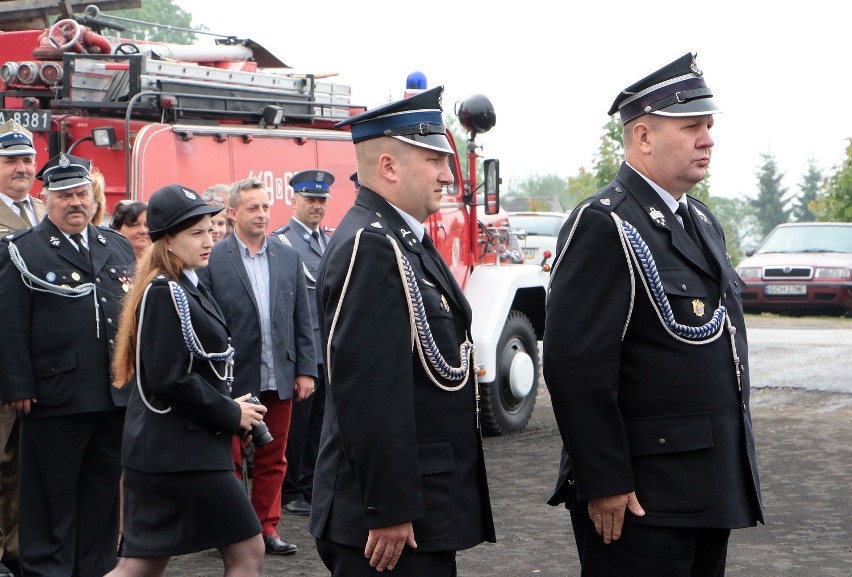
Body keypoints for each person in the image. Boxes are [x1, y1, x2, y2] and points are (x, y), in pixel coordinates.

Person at [542, 53, 763, 577]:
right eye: (692, 127)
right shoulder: (605, 224)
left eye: (708, 126)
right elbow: (576, 370)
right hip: (641, 497)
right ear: (643, 137)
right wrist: (604, 480)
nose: (707, 139)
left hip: (705, 485)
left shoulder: (699, 219)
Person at [310, 86, 495, 576]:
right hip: (389, 522)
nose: (447, 173)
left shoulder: (402, 236)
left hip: (421, 504)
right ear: (389, 166)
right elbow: (367, 390)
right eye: (434, 159)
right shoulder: (372, 244)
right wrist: (388, 508)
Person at [106, 183, 267, 577]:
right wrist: (231, 413)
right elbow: (167, 379)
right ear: (167, 241)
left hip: (173, 448)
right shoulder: (166, 292)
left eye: (210, 229)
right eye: (195, 233)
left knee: (141, 564)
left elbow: (192, 369)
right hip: (180, 453)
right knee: (248, 550)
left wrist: (234, 407)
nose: (209, 239)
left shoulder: (185, 285)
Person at [0, 152, 135, 577]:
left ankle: (93, 569)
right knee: (50, 501)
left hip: (111, 396)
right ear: (46, 200)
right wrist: (17, 384)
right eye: (64, 196)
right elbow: (9, 322)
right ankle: (47, 571)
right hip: (55, 396)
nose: (75, 203)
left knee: (100, 498)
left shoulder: (115, 244)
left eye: (81, 194)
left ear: (94, 200)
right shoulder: (21, 249)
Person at [199, 178, 317, 556]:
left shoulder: (288, 257)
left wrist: (305, 370)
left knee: (273, 457)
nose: (263, 214)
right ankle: (232, 533)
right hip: (233, 381)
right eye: (253, 207)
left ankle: (266, 528)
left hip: (279, 377)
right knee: (229, 459)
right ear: (232, 213)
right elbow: (205, 321)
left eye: (266, 207)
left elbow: (302, 316)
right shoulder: (214, 259)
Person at [274, 169, 334, 517]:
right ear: (294, 199)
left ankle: (310, 486)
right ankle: (291, 488)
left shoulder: (328, 240)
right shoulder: (282, 243)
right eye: (310, 199)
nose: (316, 206)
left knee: (320, 424)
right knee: (296, 426)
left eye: (321, 200)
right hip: (302, 350)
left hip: (327, 347)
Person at [0, 119, 45, 577]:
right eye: (11, 160)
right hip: (3, 359)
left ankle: (13, 551)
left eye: (27, 160)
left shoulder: (40, 210)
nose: (21, 168)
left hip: (38, 362)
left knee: (21, 466)